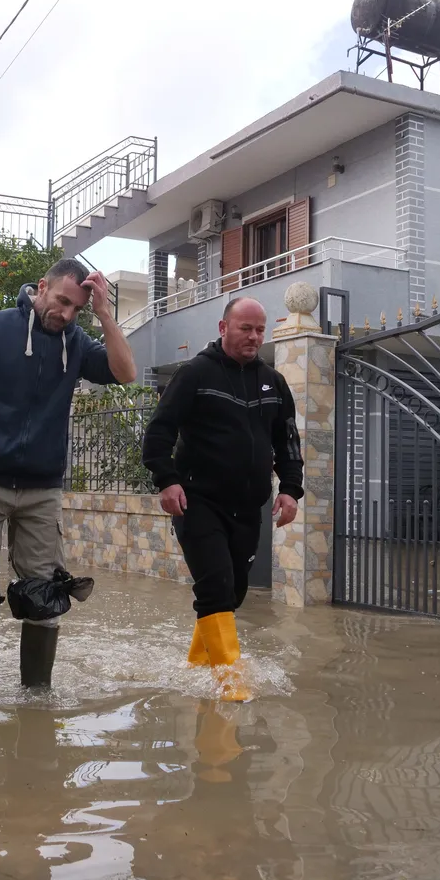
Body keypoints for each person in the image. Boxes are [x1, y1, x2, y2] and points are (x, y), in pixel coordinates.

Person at [0, 258, 137, 687]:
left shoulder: (76, 342)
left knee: (45, 594)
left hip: (42, 490)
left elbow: (124, 373)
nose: (67, 314)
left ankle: (36, 697)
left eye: (77, 308)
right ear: (42, 287)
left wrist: (105, 316)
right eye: (62, 302)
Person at [141, 297, 303, 701]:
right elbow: (159, 432)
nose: (253, 337)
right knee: (215, 585)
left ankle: (195, 668)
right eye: (245, 328)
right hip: (198, 502)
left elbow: (288, 442)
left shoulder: (274, 382)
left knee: (233, 593)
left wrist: (290, 489)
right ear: (223, 327)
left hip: (248, 506)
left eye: (259, 330)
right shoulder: (194, 374)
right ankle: (231, 683)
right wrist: (167, 480)